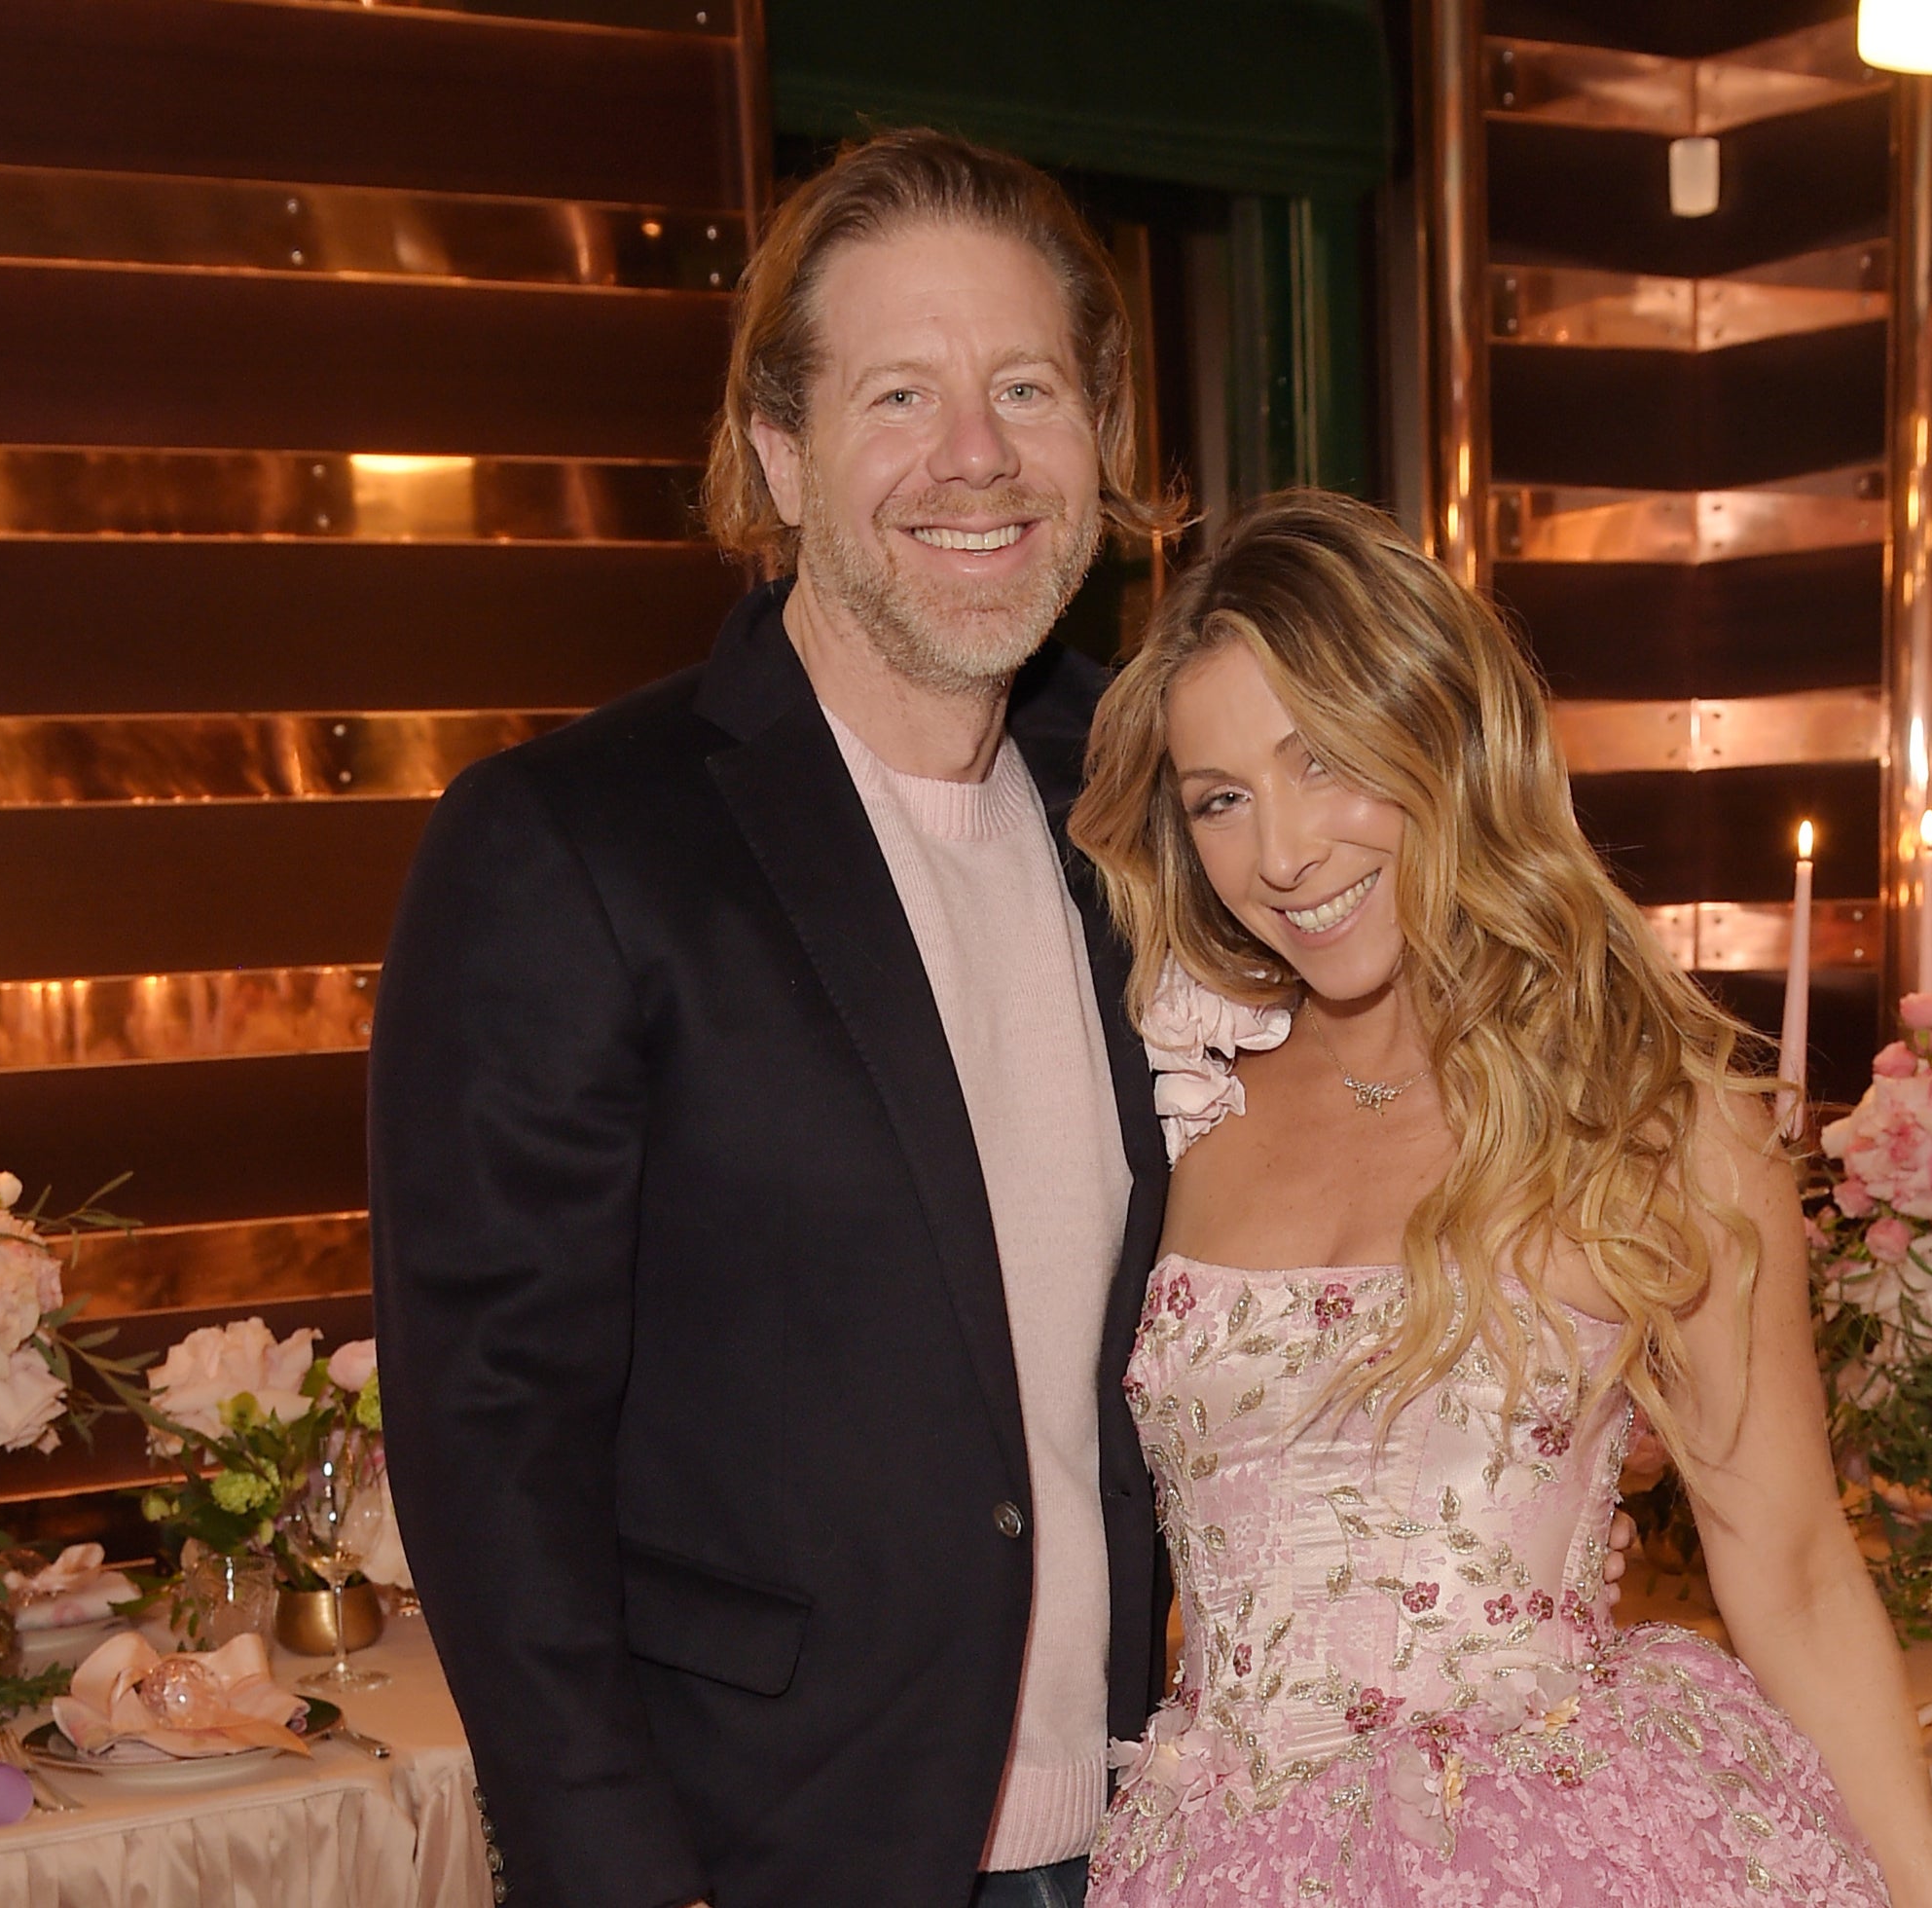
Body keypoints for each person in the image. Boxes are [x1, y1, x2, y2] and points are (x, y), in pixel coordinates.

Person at [371, 129, 1176, 1908]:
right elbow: (490, 1436)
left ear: (1098, 446)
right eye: (900, 393)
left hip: (1146, 1833)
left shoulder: (1153, 805)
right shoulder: (571, 842)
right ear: (779, 451)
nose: (977, 455)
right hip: (764, 1854)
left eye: (1027, 387)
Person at [1067, 492, 1932, 1906]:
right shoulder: (1176, 1103)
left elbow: (1788, 1568)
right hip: (1214, 1862)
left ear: (1447, 740)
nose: (1285, 855)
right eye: (1221, 801)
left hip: (1557, 1855)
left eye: (1327, 763)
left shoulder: (1662, 1125)